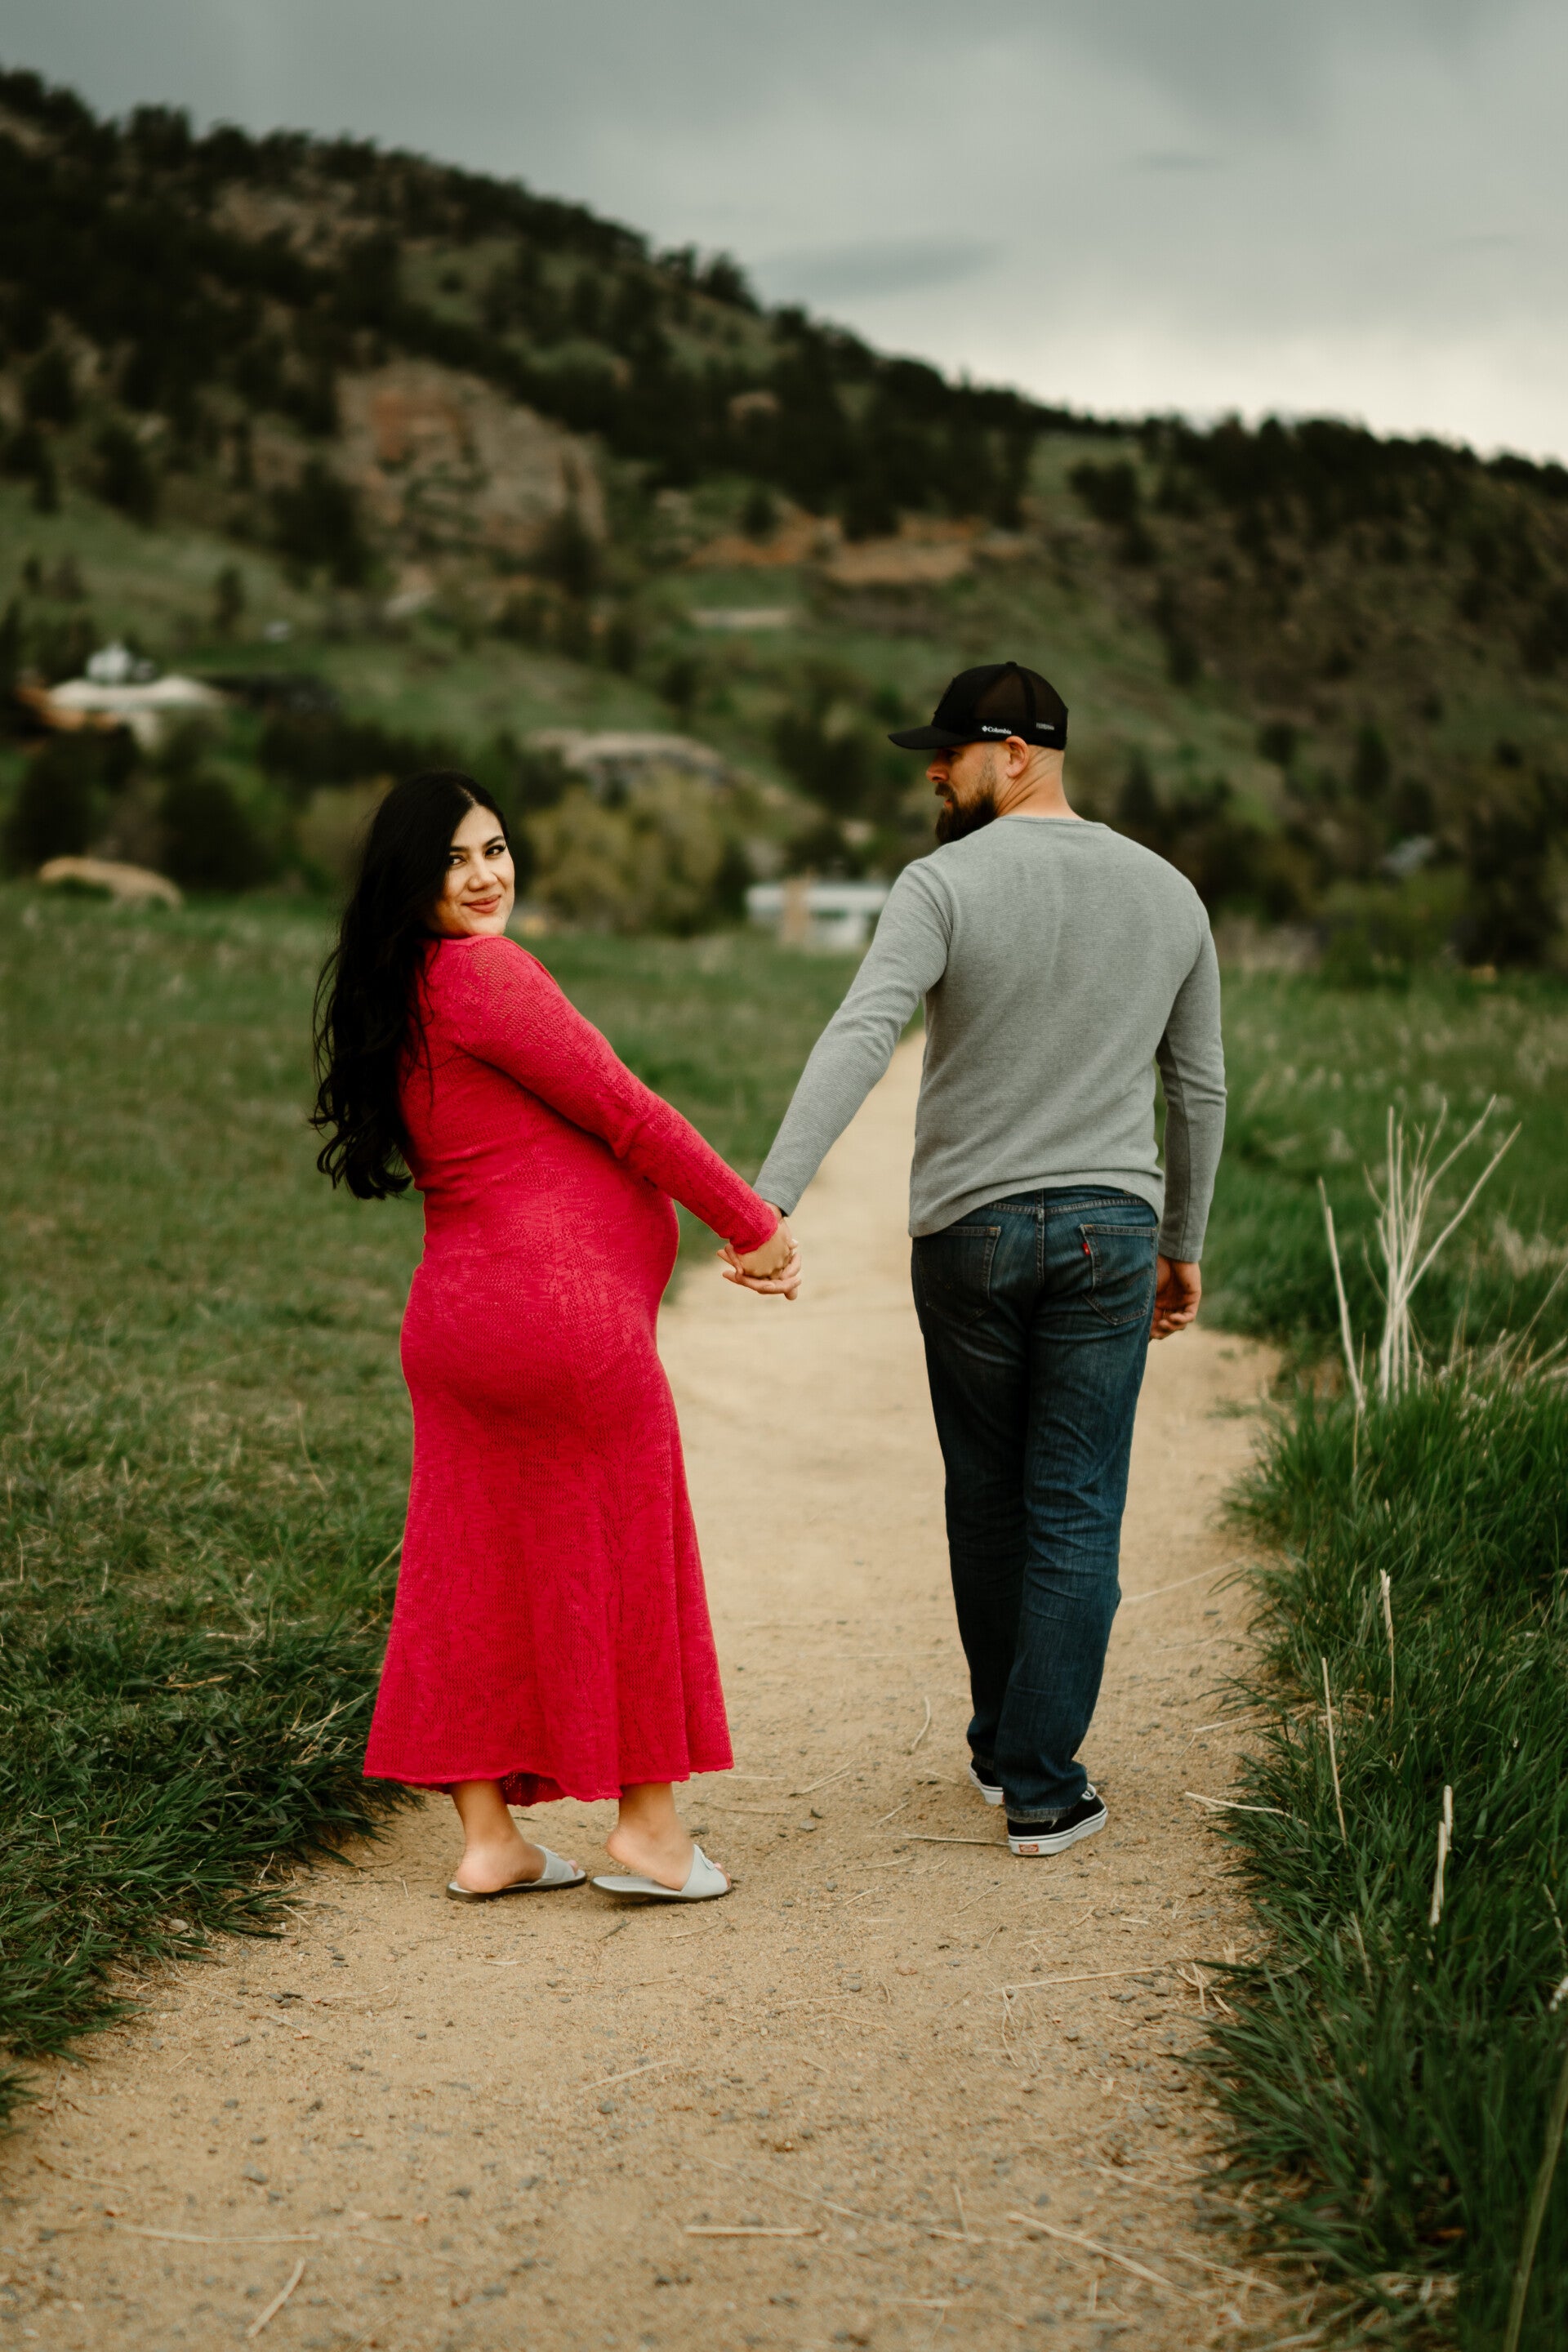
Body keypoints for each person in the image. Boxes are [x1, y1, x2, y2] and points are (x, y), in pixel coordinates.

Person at [752, 663, 1226, 1859]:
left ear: (1016, 752)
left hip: (969, 1234)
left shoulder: (942, 884)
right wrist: (1181, 1244)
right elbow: (1198, 1089)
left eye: (950, 750)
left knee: (987, 1495)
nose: (934, 770)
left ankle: (998, 1744)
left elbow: (863, 1031)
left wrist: (769, 1198)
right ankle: (1042, 1786)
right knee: (1074, 1503)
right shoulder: (1169, 893)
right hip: (1113, 1231)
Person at [312, 771, 799, 1904]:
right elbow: (624, 1108)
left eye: (494, 848)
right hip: (559, 1319)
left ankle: (492, 1844)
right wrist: (751, 1222)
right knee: (627, 1549)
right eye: (454, 861)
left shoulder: (400, 985)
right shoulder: (488, 973)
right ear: (411, 882)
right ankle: (651, 1833)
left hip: (456, 1323)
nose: (485, 876)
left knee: (467, 1570)